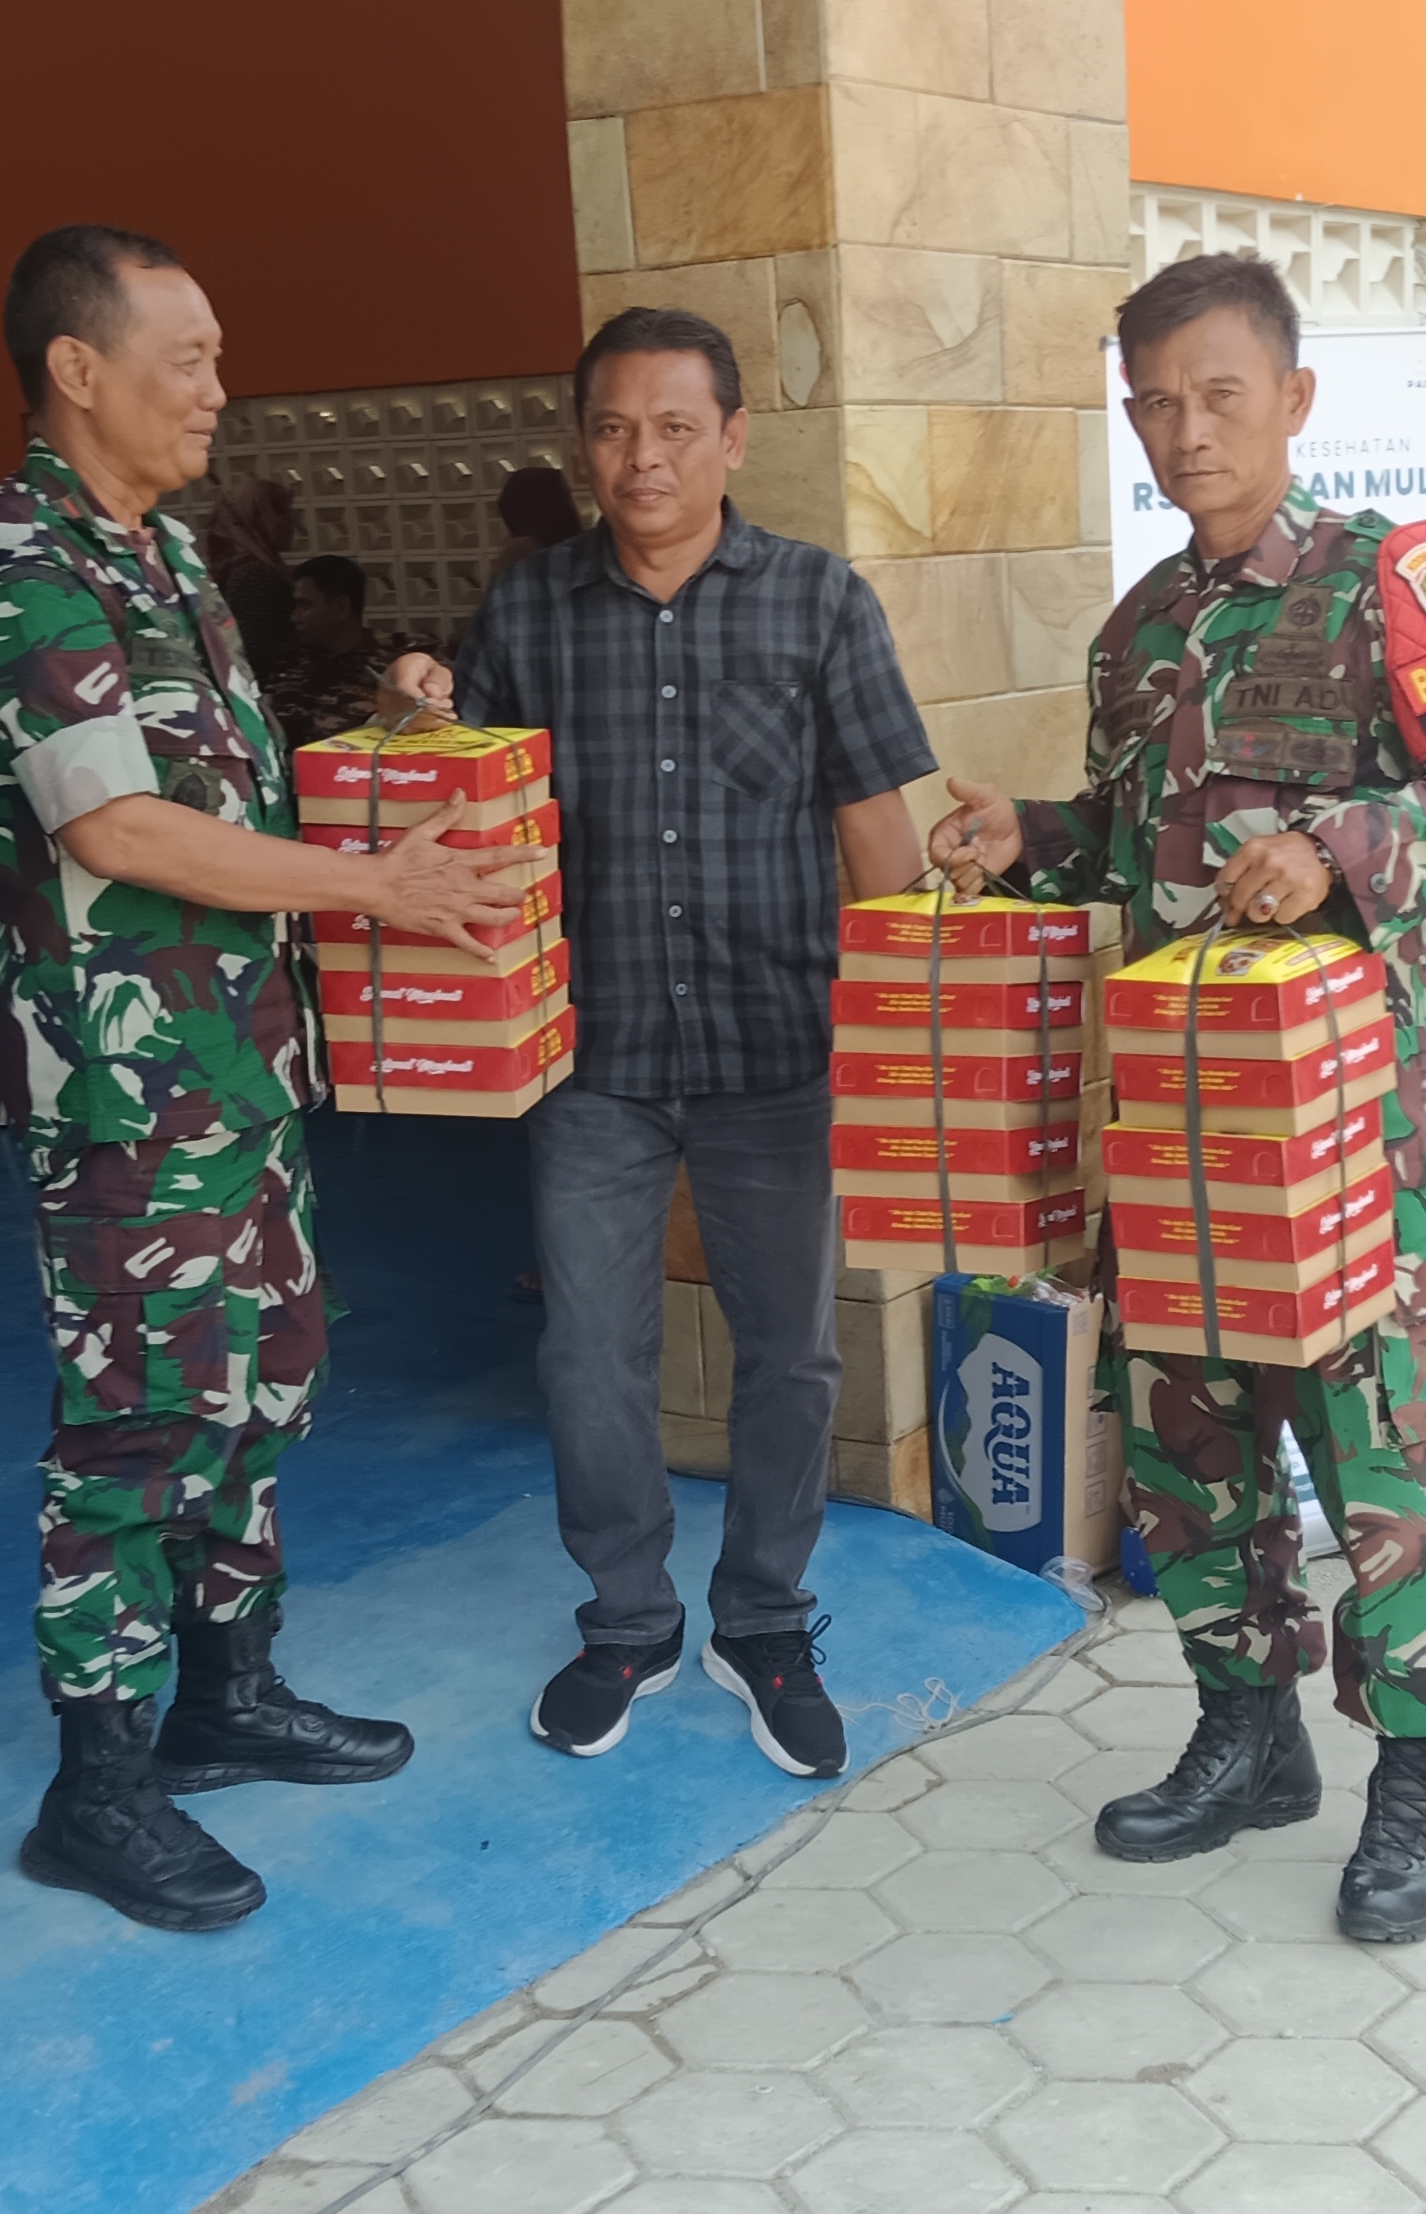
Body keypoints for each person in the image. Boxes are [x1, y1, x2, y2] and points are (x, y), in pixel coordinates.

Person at [927, 253, 1426, 1944]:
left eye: (1218, 394)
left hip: (1343, 1129)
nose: (1185, 428)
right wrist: (1032, 842)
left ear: (1292, 399)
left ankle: (1418, 1777)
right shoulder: (1137, 632)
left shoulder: (1383, 583)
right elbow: (1142, 854)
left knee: (1377, 1451)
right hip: (1173, 1123)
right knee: (1193, 1452)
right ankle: (1246, 1734)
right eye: (1155, 401)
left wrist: (1340, 850)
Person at [0, 225, 537, 1933]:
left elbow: (228, 792)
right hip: (123, 1091)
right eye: (185, 353)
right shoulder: (12, 566)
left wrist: (387, 725)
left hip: (235, 1073)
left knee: (259, 1377)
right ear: (78, 367)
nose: (216, 384)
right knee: (136, 1417)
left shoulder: (165, 559)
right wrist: (381, 890)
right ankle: (98, 1783)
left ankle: (224, 1688)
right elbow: (115, 825)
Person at [396, 306, 934, 1783]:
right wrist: (412, 715)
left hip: (779, 1045)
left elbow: (880, 834)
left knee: (793, 1361)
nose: (643, 457)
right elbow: (467, 797)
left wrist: (919, 1035)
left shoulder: (819, 602)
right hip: (595, 1062)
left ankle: (762, 1621)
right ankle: (625, 1620)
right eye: (616, 429)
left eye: (675, 426)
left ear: (734, 438)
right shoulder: (525, 609)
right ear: (586, 445)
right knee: (588, 1356)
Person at [266, 555, 388, 749]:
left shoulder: (390, 666)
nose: (294, 617)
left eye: (305, 605)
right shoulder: (289, 666)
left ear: (341, 607)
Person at [198, 472, 303, 690]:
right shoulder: (257, 575)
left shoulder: (245, 567)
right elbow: (257, 650)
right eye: (282, 512)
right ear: (255, 517)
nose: (293, 521)